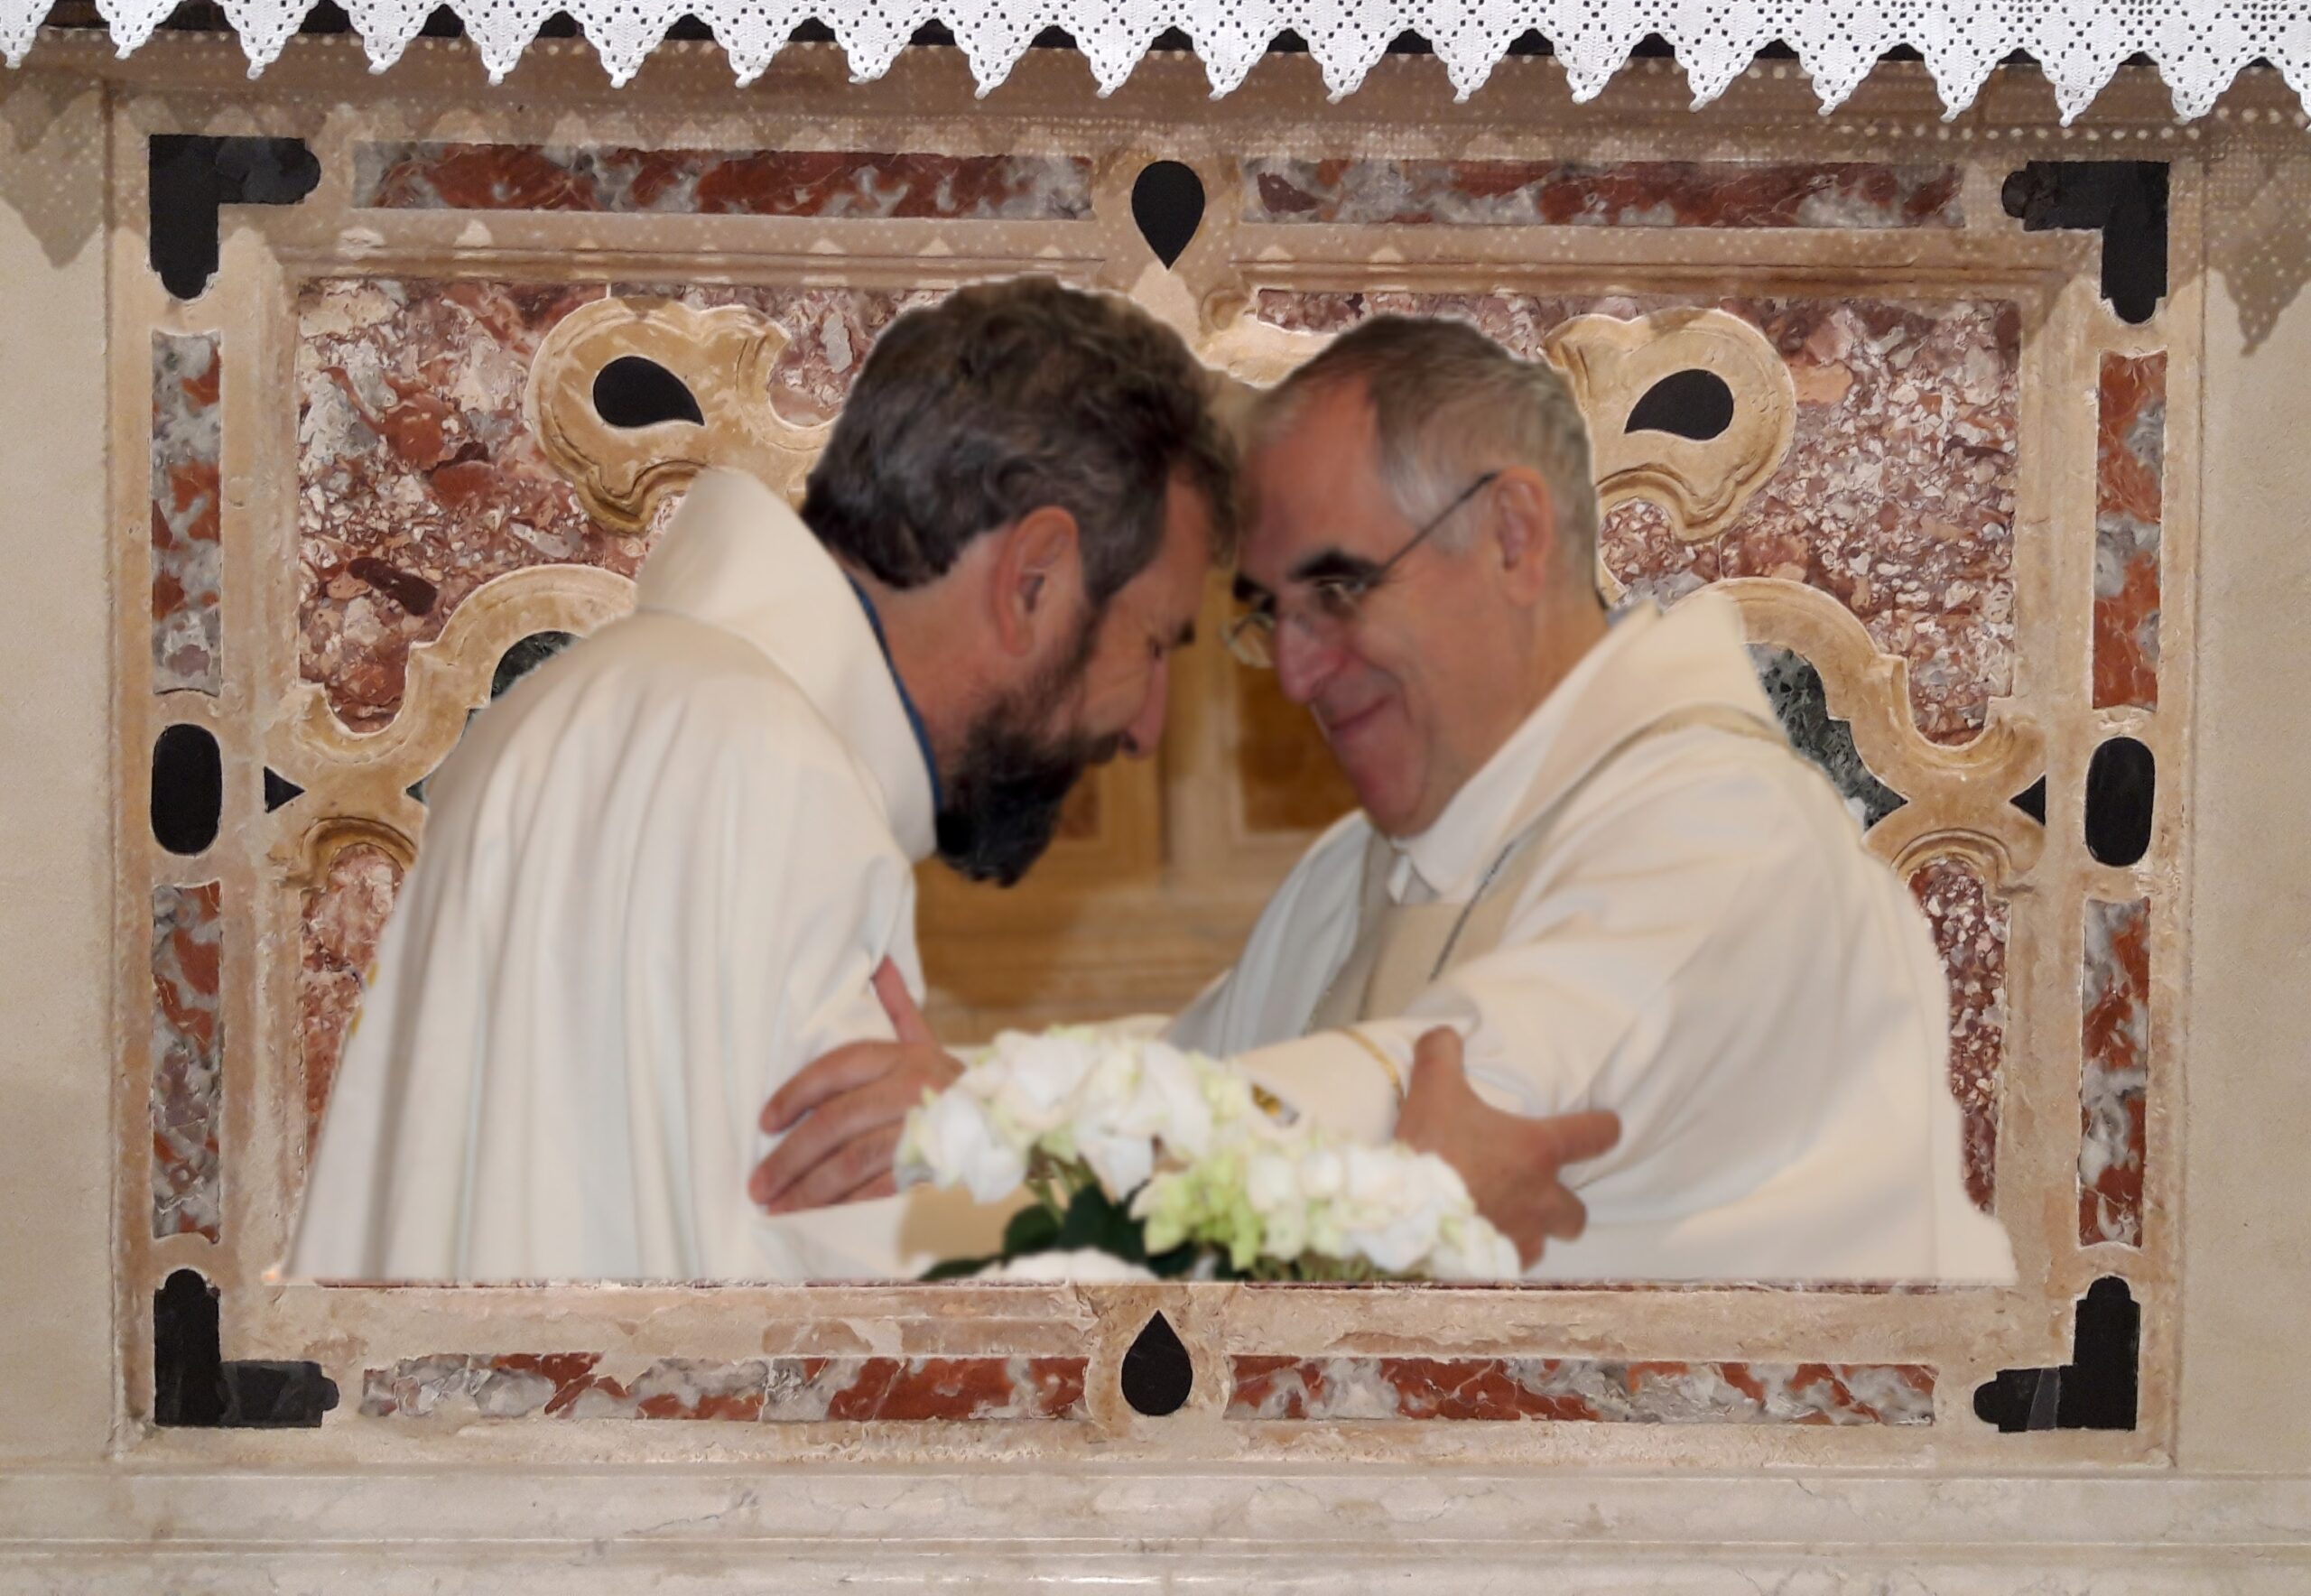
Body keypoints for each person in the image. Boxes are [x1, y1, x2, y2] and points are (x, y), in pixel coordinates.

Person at [293, 280, 1608, 1282]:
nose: (1148, 727)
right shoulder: (766, 771)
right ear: (1034, 577)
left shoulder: (596, 705)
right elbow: (890, 1311)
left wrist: (998, 1106)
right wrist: (1401, 1201)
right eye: (1152, 644)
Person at [758, 314, 2013, 1284]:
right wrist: (943, 1089)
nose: (1298, 674)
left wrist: (1001, 1118)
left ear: (1514, 536)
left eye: (1341, 592)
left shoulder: (1726, 832)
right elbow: (1200, 1072)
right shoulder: (1362, 867)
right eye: (1274, 615)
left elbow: (1448, 1107)